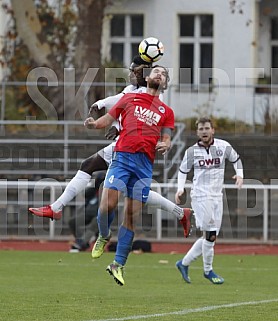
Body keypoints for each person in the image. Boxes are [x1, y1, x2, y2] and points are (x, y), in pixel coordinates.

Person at [29, 57, 192, 239]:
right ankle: (58, 209)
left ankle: (81, 222)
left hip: (133, 149)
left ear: (145, 74)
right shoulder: (131, 91)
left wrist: (116, 123)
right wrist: (103, 106)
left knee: (131, 192)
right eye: (132, 70)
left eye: (135, 70)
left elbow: (141, 119)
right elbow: (120, 103)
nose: (132, 73)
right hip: (123, 146)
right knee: (93, 168)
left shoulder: (154, 94)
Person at [85, 65, 175, 286]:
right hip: (123, 157)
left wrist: (165, 144)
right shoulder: (130, 99)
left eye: (163, 74)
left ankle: (118, 264)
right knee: (107, 205)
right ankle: (104, 235)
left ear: (165, 83)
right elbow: (108, 118)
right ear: (147, 77)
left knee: (132, 215)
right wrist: (94, 124)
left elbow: (167, 138)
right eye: (156, 71)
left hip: (144, 166)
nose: (159, 75)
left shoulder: (166, 111)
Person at [175, 117, 244, 285]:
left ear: (213, 130)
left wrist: (240, 174)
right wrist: (180, 188)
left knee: (210, 236)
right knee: (211, 234)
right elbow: (183, 171)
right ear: (197, 132)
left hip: (217, 196)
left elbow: (236, 159)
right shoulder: (192, 151)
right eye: (201, 129)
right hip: (200, 196)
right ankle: (208, 271)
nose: (204, 131)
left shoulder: (223, 146)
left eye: (207, 128)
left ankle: (183, 263)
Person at [68, 172, 105, 252]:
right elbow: (85, 194)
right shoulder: (93, 190)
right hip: (88, 212)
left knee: (95, 223)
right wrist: (95, 185)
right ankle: (81, 240)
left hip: (101, 215)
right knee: (73, 221)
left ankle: (81, 244)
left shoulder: (108, 191)